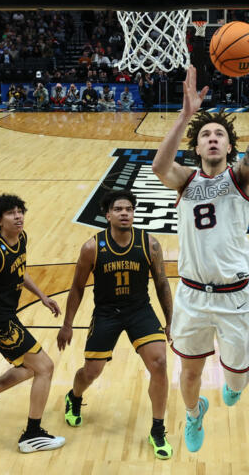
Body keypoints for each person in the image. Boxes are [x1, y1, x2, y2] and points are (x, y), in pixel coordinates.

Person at [151, 23, 249, 453]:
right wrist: (186, 114)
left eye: (219, 133)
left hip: (236, 296)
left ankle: (236, 385)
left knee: (237, 376)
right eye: (205, 134)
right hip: (191, 296)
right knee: (187, 373)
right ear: (197, 145)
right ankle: (192, 415)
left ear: (229, 145)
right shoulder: (184, 180)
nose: (211, 138)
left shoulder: (242, 177)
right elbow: (157, 168)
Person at [57, 190, 173, 460]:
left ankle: (158, 429)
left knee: (159, 363)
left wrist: (170, 321)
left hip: (139, 311)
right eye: (119, 209)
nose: (125, 213)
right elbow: (76, 287)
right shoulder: (92, 247)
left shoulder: (150, 244)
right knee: (91, 372)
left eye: (129, 209)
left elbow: (162, 283)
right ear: (107, 215)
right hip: (107, 313)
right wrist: (67, 324)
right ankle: (74, 397)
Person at [0, 194, 65, 453]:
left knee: (29, 368)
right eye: (11, 213)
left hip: (8, 316)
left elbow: (21, 270)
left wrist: (42, 295)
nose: (18, 216)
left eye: (20, 211)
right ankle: (32, 433)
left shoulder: (21, 238)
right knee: (45, 367)